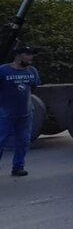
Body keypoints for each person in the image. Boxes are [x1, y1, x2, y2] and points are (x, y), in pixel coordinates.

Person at [0, 46, 41, 176]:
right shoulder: (3, 71)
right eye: (27, 54)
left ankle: (18, 167)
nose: (31, 57)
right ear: (18, 56)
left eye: (32, 55)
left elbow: (33, 88)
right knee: (1, 140)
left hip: (26, 113)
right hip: (5, 113)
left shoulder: (32, 71)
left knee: (23, 141)